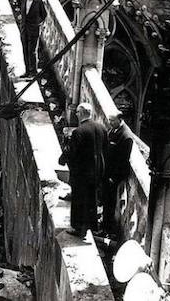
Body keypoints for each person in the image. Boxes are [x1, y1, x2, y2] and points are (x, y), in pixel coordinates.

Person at [65, 102, 107, 238]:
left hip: (82, 172)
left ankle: (78, 228)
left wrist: (67, 163)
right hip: (97, 170)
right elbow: (106, 150)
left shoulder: (79, 131)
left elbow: (73, 154)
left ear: (82, 113)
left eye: (77, 112)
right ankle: (92, 227)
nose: (76, 114)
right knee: (92, 199)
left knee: (78, 199)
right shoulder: (101, 128)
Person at [102, 110, 135, 236]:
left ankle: (107, 229)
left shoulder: (126, 137)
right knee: (106, 200)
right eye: (109, 120)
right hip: (107, 172)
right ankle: (104, 224)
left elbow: (123, 160)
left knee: (110, 202)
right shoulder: (113, 130)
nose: (110, 123)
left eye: (112, 120)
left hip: (114, 176)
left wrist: (113, 177)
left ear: (120, 120)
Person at [21, 0, 47, 77]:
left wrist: (37, 24)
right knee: (25, 49)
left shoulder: (40, 1)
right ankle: (27, 71)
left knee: (32, 51)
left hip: (34, 30)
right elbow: (23, 12)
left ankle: (33, 72)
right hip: (24, 28)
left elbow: (44, 15)